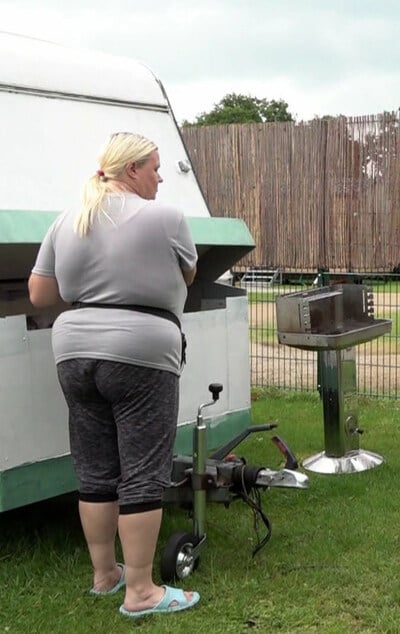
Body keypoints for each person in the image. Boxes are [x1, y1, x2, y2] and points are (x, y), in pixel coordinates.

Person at [28, 132, 200, 618]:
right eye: (155, 169)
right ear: (132, 171)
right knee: (142, 470)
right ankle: (142, 591)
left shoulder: (68, 219)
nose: (161, 177)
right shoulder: (165, 219)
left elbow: (40, 295)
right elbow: (187, 276)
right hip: (141, 351)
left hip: (74, 351)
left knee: (96, 468)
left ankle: (106, 575)